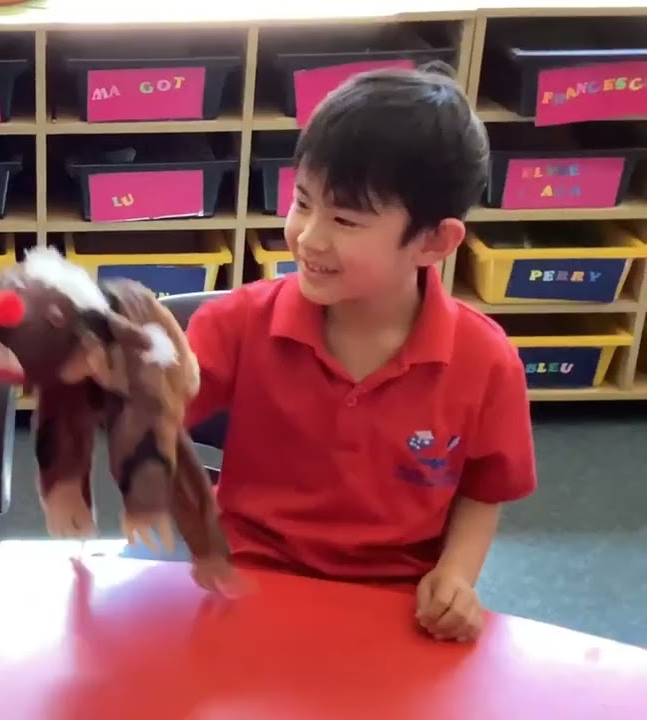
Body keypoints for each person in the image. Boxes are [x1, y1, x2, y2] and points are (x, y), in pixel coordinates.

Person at [184, 65, 537, 642]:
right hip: (247, 580)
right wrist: (107, 376)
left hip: (394, 604)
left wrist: (455, 575)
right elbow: (154, 409)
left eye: (345, 219)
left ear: (433, 242)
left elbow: (483, 489)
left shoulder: (486, 362)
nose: (309, 237)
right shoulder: (237, 323)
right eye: (303, 202)